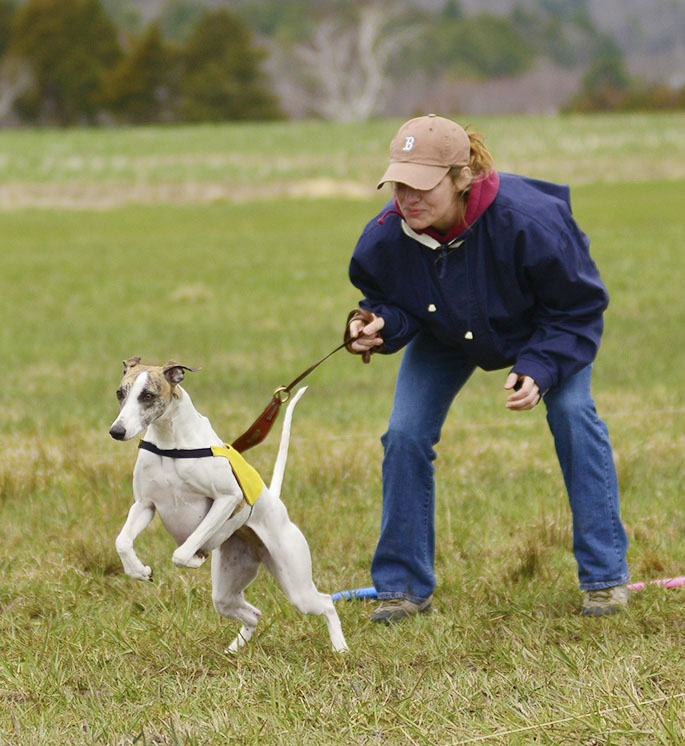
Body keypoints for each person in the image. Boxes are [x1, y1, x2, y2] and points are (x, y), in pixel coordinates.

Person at [345, 114, 629, 623]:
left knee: (574, 417)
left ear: (462, 176)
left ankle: (605, 579)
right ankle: (402, 589)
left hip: (546, 332)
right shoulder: (387, 236)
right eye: (399, 184)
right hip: (447, 333)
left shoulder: (532, 221)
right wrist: (378, 324)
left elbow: (578, 309)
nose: (408, 198)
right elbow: (392, 302)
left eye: (423, 186)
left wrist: (540, 369)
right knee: (404, 434)